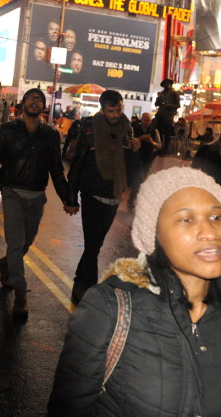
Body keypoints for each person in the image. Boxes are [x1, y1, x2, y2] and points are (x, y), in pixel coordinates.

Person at [47, 167, 221, 416]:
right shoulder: (109, 310)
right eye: (186, 219)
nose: (210, 233)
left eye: (217, 217)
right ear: (154, 235)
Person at [0, 88, 73, 319]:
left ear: (44, 107)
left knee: (24, 244)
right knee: (15, 243)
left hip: (37, 196)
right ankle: (20, 295)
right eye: (31, 98)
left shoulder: (50, 135)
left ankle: (6, 265)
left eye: (39, 99)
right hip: (11, 193)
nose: (35, 102)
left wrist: (68, 199)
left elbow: (57, 171)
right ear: (22, 103)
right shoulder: (8, 130)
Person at [66, 89, 141, 305]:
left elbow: (133, 169)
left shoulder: (127, 130)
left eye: (118, 109)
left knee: (96, 245)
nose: (116, 114)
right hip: (91, 193)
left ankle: (82, 283)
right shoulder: (89, 127)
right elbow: (78, 163)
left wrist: (136, 150)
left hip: (113, 195)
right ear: (102, 109)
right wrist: (71, 197)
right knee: (92, 244)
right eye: (111, 110)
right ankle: (86, 288)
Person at [154, 78, 180, 155]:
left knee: (167, 134)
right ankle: (159, 149)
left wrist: (169, 105)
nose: (166, 86)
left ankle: (165, 150)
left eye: (168, 84)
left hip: (168, 117)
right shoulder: (161, 94)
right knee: (159, 133)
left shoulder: (174, 94)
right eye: (165, 84)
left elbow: (178, 105)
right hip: (160, 116)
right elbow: (156, 104)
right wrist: (159, 101)